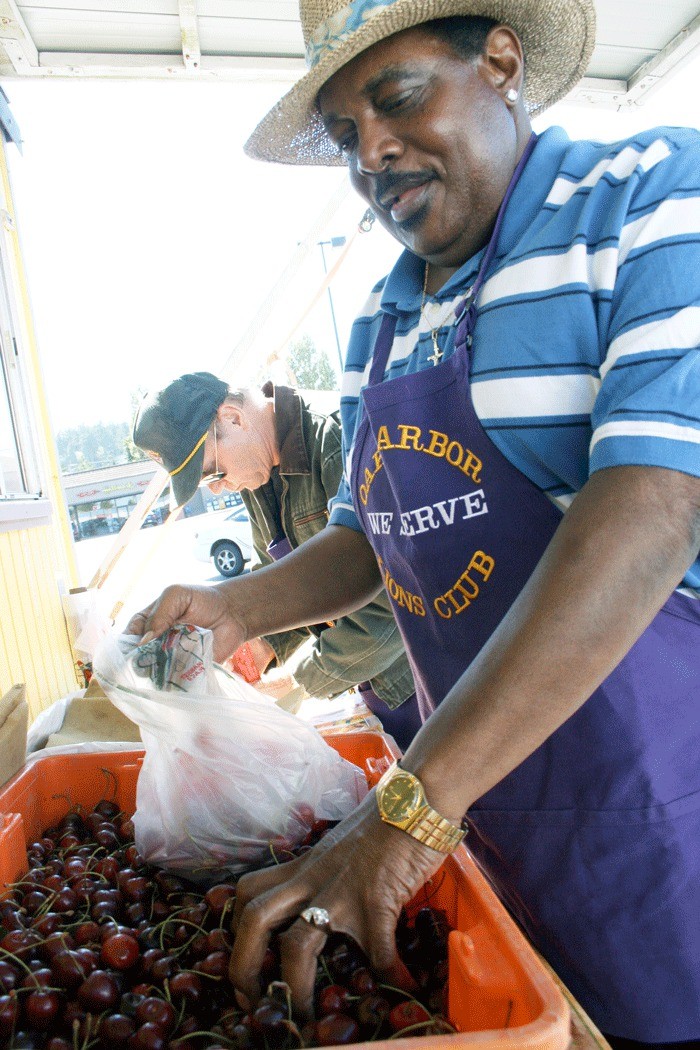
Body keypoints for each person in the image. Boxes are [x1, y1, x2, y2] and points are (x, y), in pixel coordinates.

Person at [127, 1, 700, 1045]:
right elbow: (370, 533)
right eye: (346, 134)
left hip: (664, 816)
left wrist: (404, 818)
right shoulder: (383, 319)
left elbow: (654, 507)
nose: (372, 152)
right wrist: (233, 607)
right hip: (491, 821)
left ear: (499, 61)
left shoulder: (649, 194)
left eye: (395, 99)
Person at [132, 371, 419, 744]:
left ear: (233, 417)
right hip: (365, 682)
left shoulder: (337, 440)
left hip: (417, 680)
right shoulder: (257, 474)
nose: (218, 488)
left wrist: (295, 681)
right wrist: (256, 648)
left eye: (212, 473)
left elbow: (392, 613)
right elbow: (279, 584)